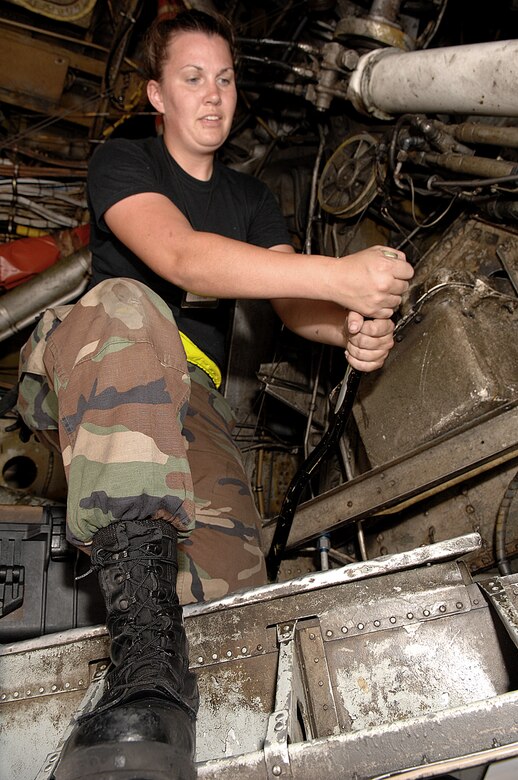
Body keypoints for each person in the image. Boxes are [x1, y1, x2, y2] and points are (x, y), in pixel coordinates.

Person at [15, 9, 413, 779]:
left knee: (238, 596)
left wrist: (348, 329)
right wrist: (341, 275)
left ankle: (197, 742)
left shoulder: (250, 197)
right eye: (192, 78)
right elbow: (183, 259)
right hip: (95, 367)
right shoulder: (123, 161)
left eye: (225, 79)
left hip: (186, 402)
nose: (213, 95)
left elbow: (293, 306)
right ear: (157, 94)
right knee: (137, 305)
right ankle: (144, 666)